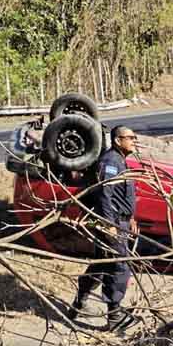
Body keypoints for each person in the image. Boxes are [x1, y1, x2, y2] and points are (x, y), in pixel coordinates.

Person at [67, 125, 139, 330]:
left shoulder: (119, 161)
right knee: (119, 266)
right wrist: (109, 225)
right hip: (111, 222)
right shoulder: (110, 163)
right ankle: (114, 316)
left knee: (101, 264)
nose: (134, 140)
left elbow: (121, 194)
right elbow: (104, 196)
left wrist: (131, 217)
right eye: (130, 137)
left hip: (120, 220)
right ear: (118, 140)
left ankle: (79, 304)